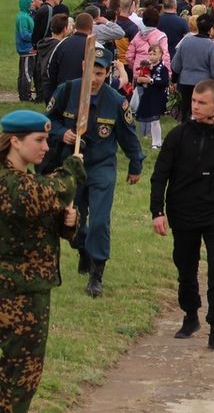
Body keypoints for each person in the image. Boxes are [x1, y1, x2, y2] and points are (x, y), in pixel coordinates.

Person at [150, 79, 214, 353]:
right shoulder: (178, 136)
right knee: (186, 268)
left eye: (201, 103)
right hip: (182, 212)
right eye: (193, 101)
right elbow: (160, 176)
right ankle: (190, 314)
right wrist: (157, 212)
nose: (195, 106)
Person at [0, 110, 84, 413]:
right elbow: (49, 192)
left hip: (28, 288)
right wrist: (71, 171)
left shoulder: (27, 179)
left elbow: (42, 213)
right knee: (21, 373)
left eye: (47, 139)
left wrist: (67, 222)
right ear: (14, 141)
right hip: (15, 292)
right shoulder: (8, 181)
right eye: (39, 140)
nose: (45, 147)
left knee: (20, 372)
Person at [45, 46, 144, 297]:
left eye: (100, 73)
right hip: (72, 166)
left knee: (99, 220)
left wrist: (135, 164)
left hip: (102, 166)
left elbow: (129, 137)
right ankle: (82, 249)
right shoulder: (67, 91)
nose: (95, 78)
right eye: (91, 71)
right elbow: (48, 121)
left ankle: (96, 273)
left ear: (108, 72)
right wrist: (61, 133)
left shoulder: (116, 101)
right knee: (72, 218)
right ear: (83, 68)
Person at [171, 12, 214, 121]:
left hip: (185, 83)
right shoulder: (211, 46)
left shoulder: (186, 42)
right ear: (211, 29)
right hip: (203, 85)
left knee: (186, 112)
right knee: (202, 113)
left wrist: (174, 80)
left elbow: (175, 65)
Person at [133, 44, 170, 150]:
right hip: (147, 95)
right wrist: (140, 81)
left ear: (161, 54)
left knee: (155, 119)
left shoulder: (162, 68)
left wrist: (151, 81)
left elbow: (164, 82)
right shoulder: (146, 67)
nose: (152, 56)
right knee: (149, 119)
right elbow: (141, 81)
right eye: (150, 54)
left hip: (158, 96)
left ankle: (156, 142)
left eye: (155, 54)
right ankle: (153, 140)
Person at [16, 0, 38, 102]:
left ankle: (23, 95)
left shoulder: (27, 15)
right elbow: (24, 34)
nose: (34, 3)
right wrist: (36, 37)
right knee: (26, 74)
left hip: (29, 49)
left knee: (24, 73)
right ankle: (26, 97)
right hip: (27, 50)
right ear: (26, 3)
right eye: (32, 1)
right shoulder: (23, 17)